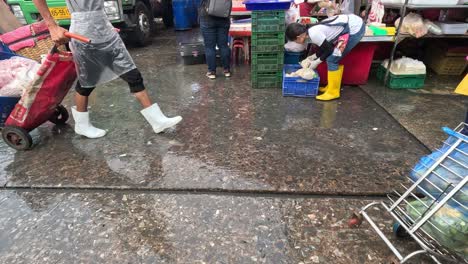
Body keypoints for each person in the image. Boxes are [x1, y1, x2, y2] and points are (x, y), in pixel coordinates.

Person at [32, 0, 182, 139]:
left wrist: (104, 23)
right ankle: (82, 125)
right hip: (83, 34)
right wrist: (51, 25)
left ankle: (157, 120)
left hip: (105, 31)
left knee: (132, 74)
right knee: (87, 82)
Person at [286, 13, 365, 101]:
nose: (296, 43)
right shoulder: (310, 31)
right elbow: (325, 46)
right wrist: (313, 57)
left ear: (299, 37)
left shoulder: (314, 34)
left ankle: (333, 92)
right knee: (333, 57)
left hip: (354, 28)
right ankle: (331, 87)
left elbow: (329, 50)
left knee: (332, 60)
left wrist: (316, 62)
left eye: (295, 41)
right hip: (350, 23)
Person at [199, 0, 231, 80]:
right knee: (223, 45)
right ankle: (226, 70)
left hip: (207, 17)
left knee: (210, 47)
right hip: (223, 17)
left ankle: (212, 72)